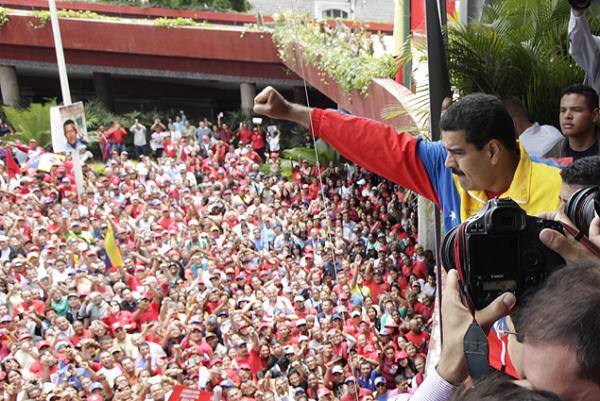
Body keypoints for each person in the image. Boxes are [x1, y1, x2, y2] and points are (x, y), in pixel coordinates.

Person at [253, 87, 562, 231]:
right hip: (474, 356)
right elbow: (377, 143)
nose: (446, 162)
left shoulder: (561, 190)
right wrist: (292, 112)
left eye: (457, 153)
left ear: (492, 151)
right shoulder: (447, 176)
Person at [544, 84, 600, 160]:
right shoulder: (551, 157)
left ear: (594, 115)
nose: (567, 116)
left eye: (576, 110)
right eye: (563, 110)